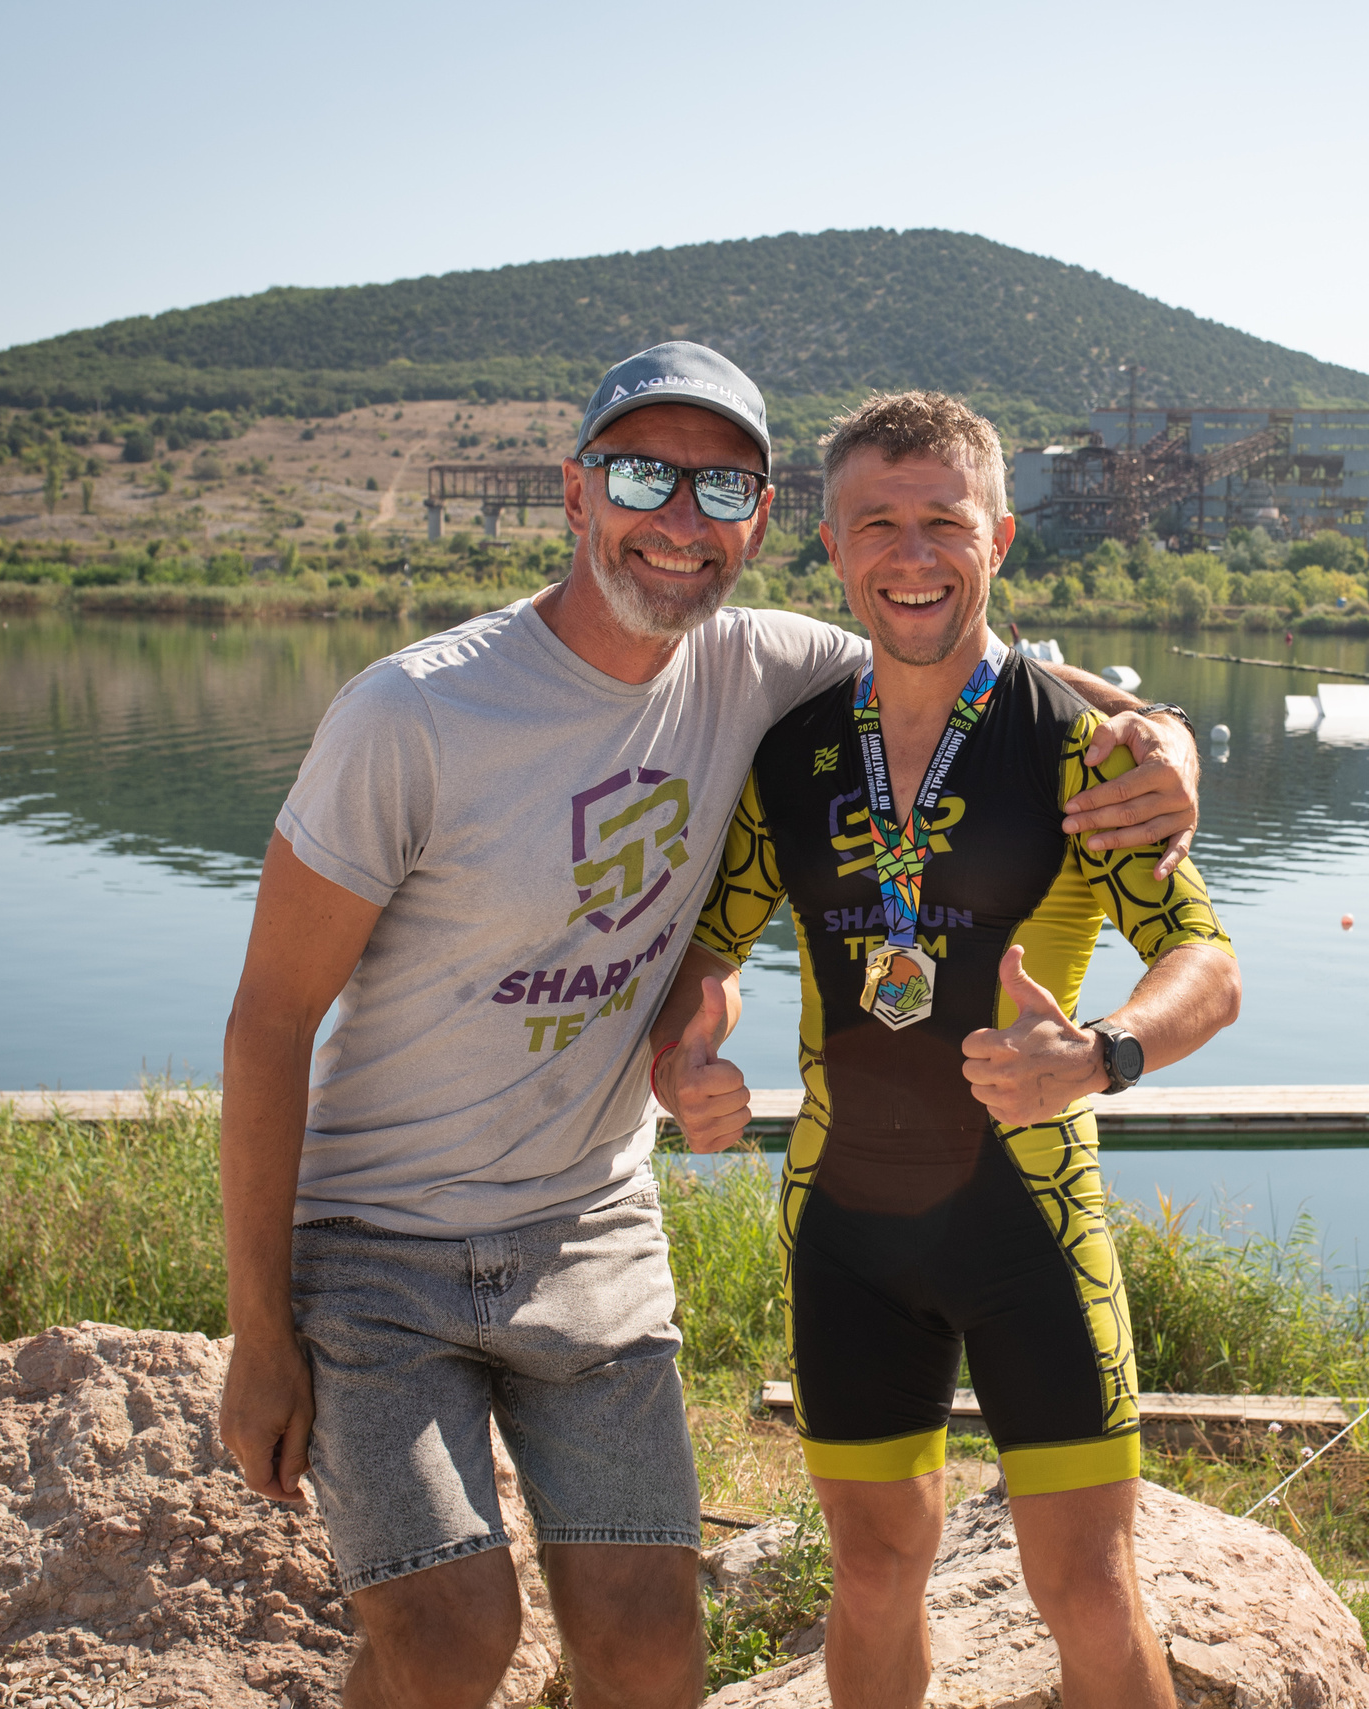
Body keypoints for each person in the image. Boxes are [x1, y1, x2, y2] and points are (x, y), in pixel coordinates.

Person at [216, 343, 1202, 1709]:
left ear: (758, 514)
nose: (678, 518)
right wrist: (259, 1334)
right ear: (575, 490)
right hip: (388, 1243)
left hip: (593, 1233)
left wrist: (1163, 739)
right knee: (454, 1639)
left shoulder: (768, 665)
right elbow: (269, 1022)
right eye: (641, 474)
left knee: (653, 1652)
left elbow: (966, 666)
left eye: (719, 483)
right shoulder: (420, 712)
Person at [648, 391, 1241, 1709]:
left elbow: (1208, 966)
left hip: (1030, 1223)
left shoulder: (1088, 751)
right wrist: (685, 1053)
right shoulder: (791, 754)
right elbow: (709, 950)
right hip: (844, 1229)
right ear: (832, 543)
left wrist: (1102, 1055)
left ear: (1002, 537)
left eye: (943, 523)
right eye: (880, 523)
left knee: (1085, 1585)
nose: (912, 553)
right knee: (868, 1571)